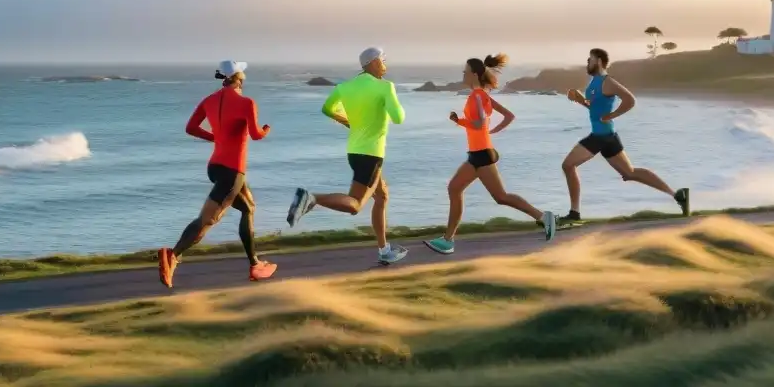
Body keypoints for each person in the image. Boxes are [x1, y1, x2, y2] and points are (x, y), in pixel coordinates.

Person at [158, 60, 277, 288]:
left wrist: (216, 138)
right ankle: (172, 255)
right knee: (208, 219)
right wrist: (266, 130)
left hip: (215, 167)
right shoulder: (247, 103)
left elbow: (190, 128)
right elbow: (256, 135)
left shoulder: (209, 100)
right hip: (233, 171)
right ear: (239, 78)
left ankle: (255, 264)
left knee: (248, 208)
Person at [286, 47, 409, 265]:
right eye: (383, 61)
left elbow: (327, 108)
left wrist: (347, 121)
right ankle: (312, 198)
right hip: (372, 155)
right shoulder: (385, 87)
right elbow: (398, 118)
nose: (385, 65)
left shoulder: (344, 87)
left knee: (381, 196)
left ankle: (384, 250)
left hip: (354, 152)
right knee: (355, 205)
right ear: (372, 63)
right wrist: (392, 102)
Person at [424, 54, 556, 255]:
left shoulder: (477, 96)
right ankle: (448, 239)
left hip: (482, 155)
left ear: (474, 74)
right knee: (456, 189)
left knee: (500, 196)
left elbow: (478, 123)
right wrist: (489, 131)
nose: (463, 74)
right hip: (479, 153)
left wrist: (461, 122)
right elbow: (508, 117)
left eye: (465, 71)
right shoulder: (483, 95)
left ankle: (543, 217)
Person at [559, 47, 689, 223]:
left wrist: (612, 116)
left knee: (568, 165)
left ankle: (574, 213)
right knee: (629, 173)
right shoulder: (594, 83)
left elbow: (630, 100)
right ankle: (677, 195)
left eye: (590, 60)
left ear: (598, 61)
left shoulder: (608, 81)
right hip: (607, 136)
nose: (587, 62)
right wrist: (580, 100)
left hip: (601, 136)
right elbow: (595, 109)